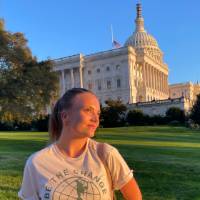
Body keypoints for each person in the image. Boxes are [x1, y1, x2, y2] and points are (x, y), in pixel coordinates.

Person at [18, 88, 142, 200]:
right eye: (88, 110)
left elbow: (135, 197)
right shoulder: (37, 163)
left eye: (98, 113)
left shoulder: (106, 154)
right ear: (65, 116)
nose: (96, 119)